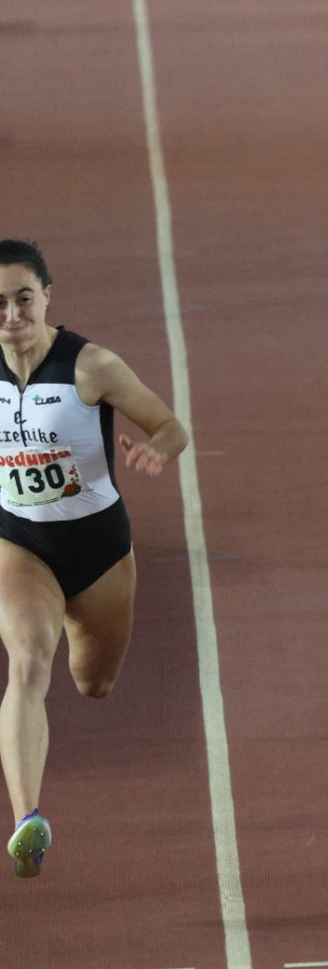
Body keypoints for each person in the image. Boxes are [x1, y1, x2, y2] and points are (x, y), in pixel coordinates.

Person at [0, 239, 190, 878]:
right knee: (26, 663)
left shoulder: (91, 366)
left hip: (99, 549)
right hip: (20, 544)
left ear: (46, 295)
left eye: (23, 298)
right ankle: (29, 819)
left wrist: (159, 451)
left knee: (94, 683)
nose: (11, 315)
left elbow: (170, 424)